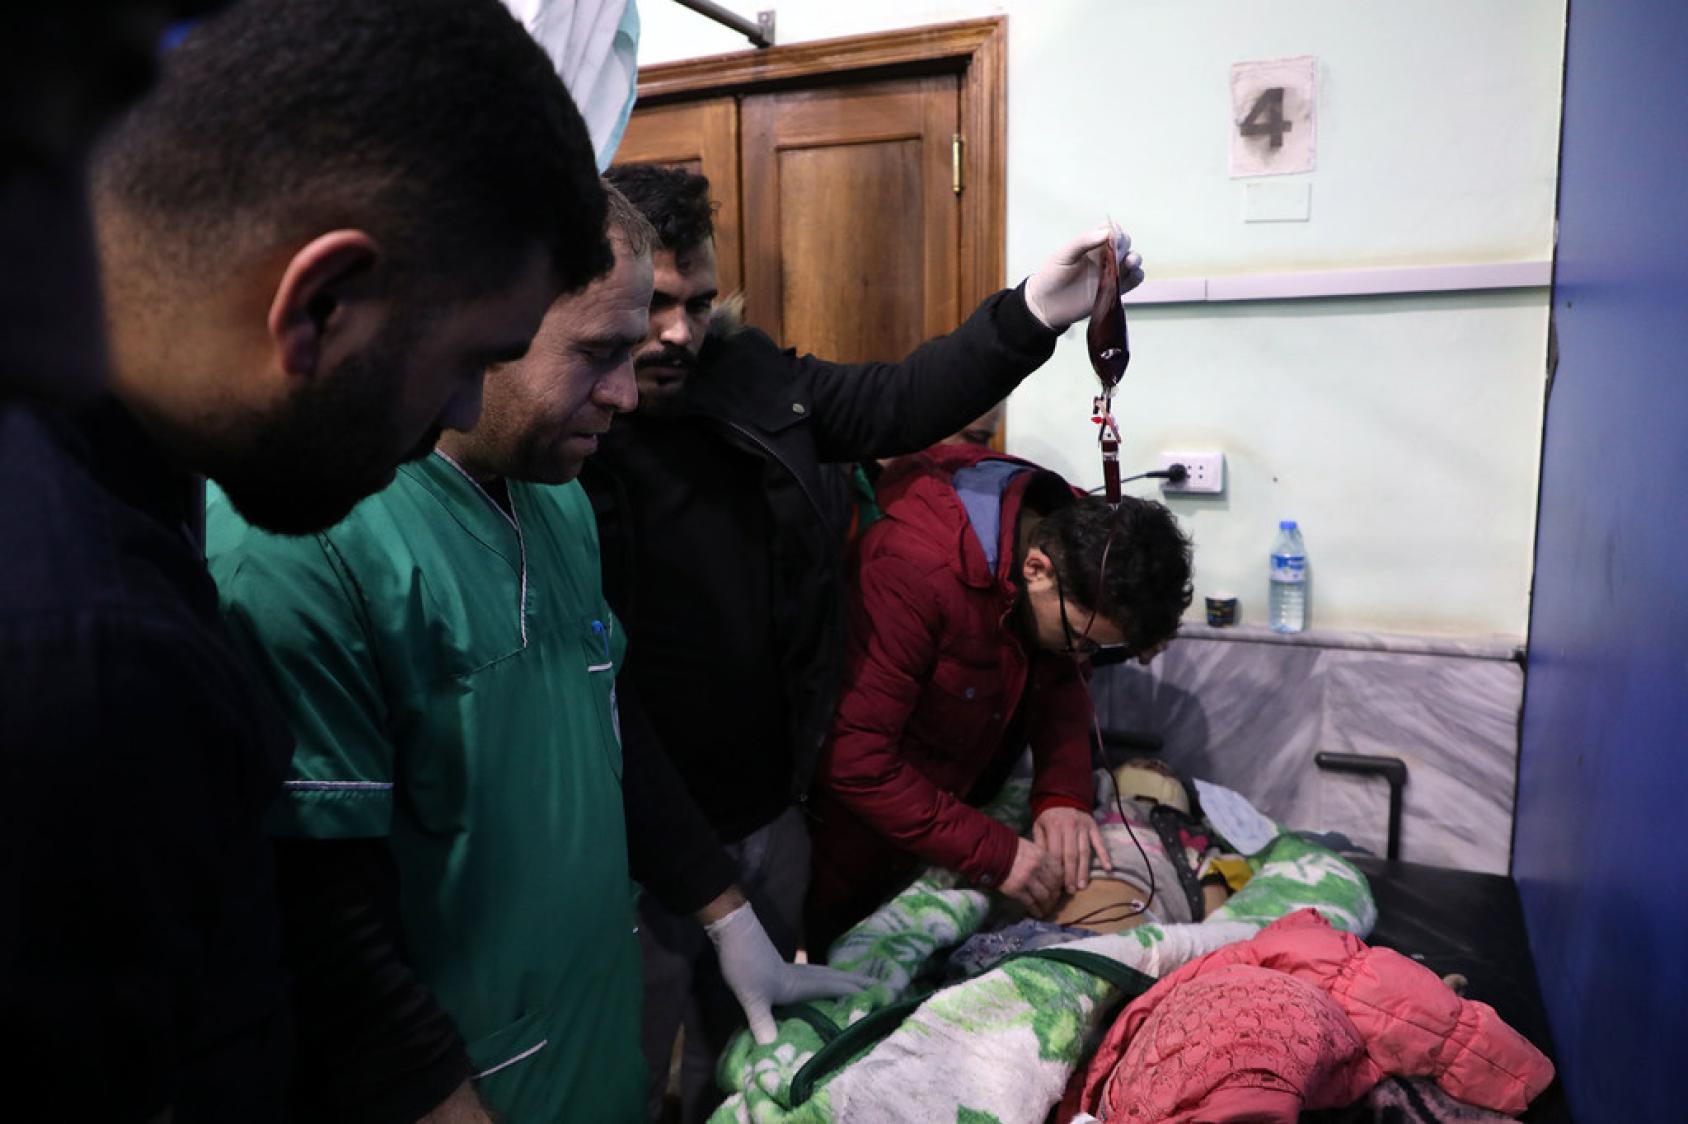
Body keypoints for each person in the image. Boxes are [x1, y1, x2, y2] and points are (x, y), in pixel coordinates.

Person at [0, 1, 606, 1118]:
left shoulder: (126, 471)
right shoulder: (85, 650)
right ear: (321, 305)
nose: (460, 413)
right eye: (470, 359)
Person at [207, 187, 858, 1123]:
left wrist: (726, 915)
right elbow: (321, 926)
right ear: (474, 324)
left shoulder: (555, 497)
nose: (627, 394)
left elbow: (600, 708)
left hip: (588, 1040)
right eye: (596, 354)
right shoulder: (296, 545)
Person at [590, 161, 1145, 1121]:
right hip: (628, 828)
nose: (678, 332)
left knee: (756, 1062)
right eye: (655, 306)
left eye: (701, 303)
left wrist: (1033, 314)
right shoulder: (565, 434)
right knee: (623, 1071)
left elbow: (901, 399)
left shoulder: (751, 379)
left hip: (767, 815)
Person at [806, 443, 1194, 951]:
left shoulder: (1073, 535)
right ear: (1035, 569)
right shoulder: (913, 567)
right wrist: (993, 852)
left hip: (944, 810)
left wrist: (1062, 794)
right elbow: (855, 759)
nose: (1086, 657)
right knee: (836, 966)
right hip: (852, 836)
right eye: (1084, 640)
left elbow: (1058, 674)